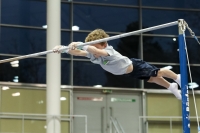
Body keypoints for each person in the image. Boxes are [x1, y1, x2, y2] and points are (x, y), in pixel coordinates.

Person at [53, 29, 182, 100]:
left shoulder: (107, 51)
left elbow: (95, 50)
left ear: (104, 44)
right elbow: (76, 52)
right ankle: (171, 86)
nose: (93, 51)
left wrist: (80, 43)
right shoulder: (92, 54)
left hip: (136, 66)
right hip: (130, 73)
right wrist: (62, 48)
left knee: (159, 73)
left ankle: (178, 78)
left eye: (95, 46)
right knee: (153, 79)